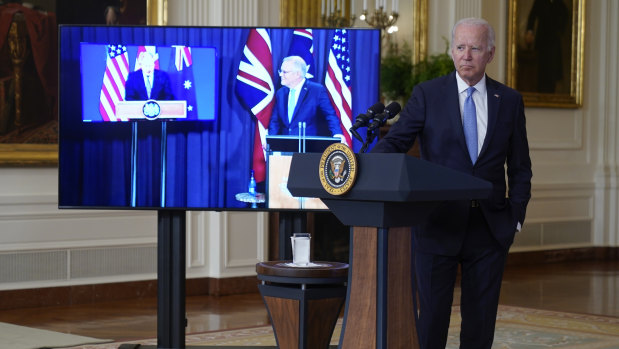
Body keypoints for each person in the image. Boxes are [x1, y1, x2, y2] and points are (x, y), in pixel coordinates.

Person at [372, 18, 532, 349]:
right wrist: (366, 165)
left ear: (490, 53)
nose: (466, 55)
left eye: (475, 48)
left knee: (479, 326)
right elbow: (396, 142)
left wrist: (515, 216)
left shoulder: (510, 100)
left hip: (490, 228)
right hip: (437, 224)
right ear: (451, 52)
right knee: (430, 324)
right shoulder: (428, 94)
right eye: (460, 47)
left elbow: (520, 166)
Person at [268, 56, 344, 141]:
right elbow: (275, 121)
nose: (281, 74)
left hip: (308, 146)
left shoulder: (317, 90)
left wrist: (337, 133)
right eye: (280, 71)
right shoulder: (281, 93)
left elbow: (330, 115)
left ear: (297, 74)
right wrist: (270, 139)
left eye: (285, 72)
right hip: (286, 146)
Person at [524, 0, 569, 93]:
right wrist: (529, 31)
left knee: (552, 73)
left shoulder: (560, 4)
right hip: (542, 42)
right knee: (541, 72)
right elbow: (532, 16)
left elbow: (565, 17)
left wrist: (560, 31)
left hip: (554, 44)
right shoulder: (540, 2)